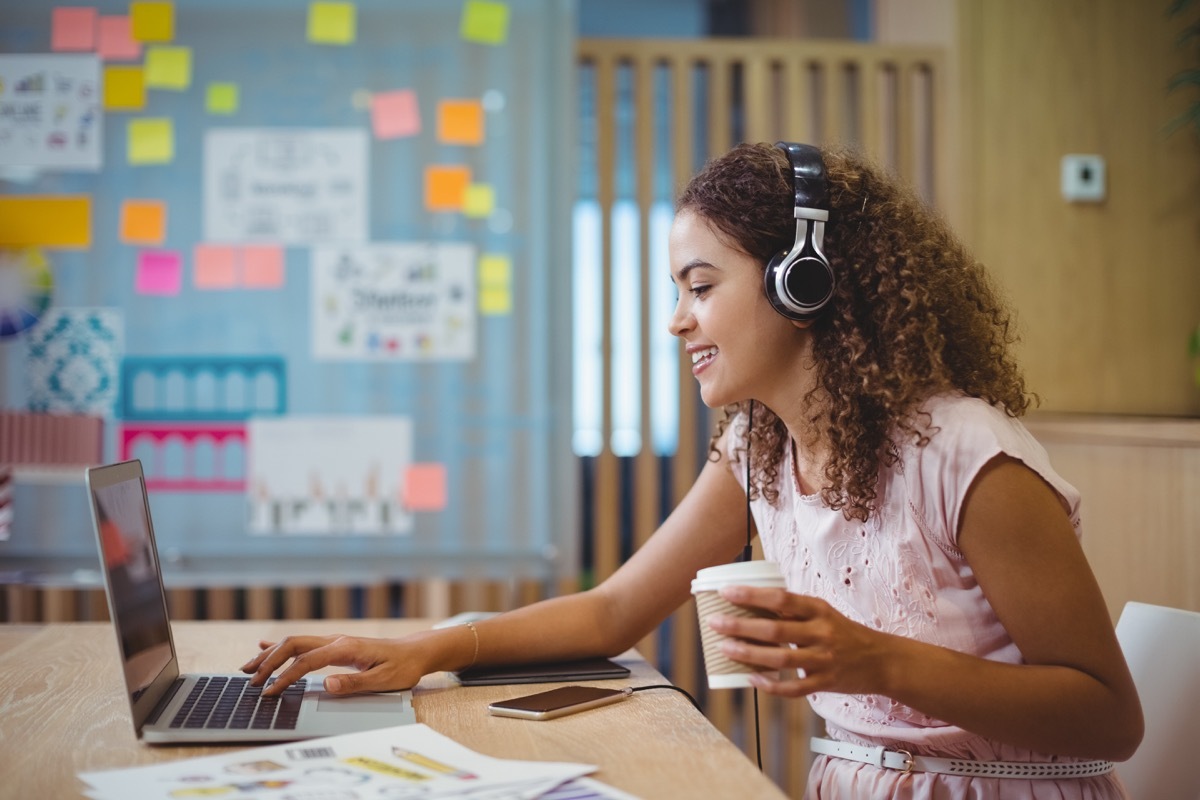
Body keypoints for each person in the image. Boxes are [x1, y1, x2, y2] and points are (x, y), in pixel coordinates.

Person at [243, 142, 1143, 798]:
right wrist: (425, 651)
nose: (677, 320)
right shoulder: (757, 446)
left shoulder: (966, 455)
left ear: (806, 286)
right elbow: (614, 610)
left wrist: (874, 660)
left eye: (701, 286)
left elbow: (1110, 717)